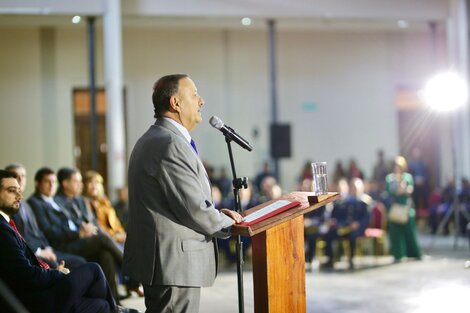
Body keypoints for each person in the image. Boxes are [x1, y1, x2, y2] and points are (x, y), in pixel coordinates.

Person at [123, 74, 243, 313]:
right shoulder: (169, 144)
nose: (202, 101)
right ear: (175, 103)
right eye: (194, 94)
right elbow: (193, 208)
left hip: (166, 262)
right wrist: (228, 222)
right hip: (173, 265)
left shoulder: (156, 139)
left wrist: (218, 214)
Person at [0, 169, 122, 313]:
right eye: (11, 190)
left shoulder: (7, 224)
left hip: (41, 289)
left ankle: (115, 308)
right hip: (39, 300)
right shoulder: (3, 230)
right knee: (94, 269)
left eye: (19, 190)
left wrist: (52, 270)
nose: (19, 195)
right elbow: (27, 275)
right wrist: (58, 274)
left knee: (102, 305)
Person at [28, 167, 127, 302]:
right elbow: (50, 231)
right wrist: (78, 233)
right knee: (102, 239)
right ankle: (128, 266)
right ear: (38, 184)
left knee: (106, 255)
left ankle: (113, 303)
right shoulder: (37, 202)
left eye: (53, 182)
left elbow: (73, 221)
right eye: (47, 182)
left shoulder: (54, 201)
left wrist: (83, 228)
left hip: (77, 240)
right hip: (64, 245)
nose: (52, 185)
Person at [5, 163, 86, 269]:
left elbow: (38, 232)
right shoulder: (16, 204)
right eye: (15, 175)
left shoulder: (26, 204)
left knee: (86, 262)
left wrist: (47, 248)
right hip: (32, 253)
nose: (20, 179)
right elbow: (19, 236)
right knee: (77, 264)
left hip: (45, 248)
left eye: (23, 176)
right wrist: (39, 251)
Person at [385, 156, 421, 262]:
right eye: (395, 166)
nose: (397, 168)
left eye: (399, 166)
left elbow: (409, 190)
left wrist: (402, 188)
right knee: (395, 232)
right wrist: (400, 189)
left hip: (406, 207)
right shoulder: (390, 178)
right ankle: (398, 254)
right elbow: (390, 192)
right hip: (395, 207)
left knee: (410, 231)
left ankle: (414, 253)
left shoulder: (407, 177)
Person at [83, 170, 127, 247]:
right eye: (90, 182)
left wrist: (122, 233)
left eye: (97, 182)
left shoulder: (105, 202)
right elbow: (95, 226)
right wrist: (113, 237)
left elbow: (115, 223)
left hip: (115, 238)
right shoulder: (83, 203)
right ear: (84, 185)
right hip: (103, 239)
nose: (94, 186)